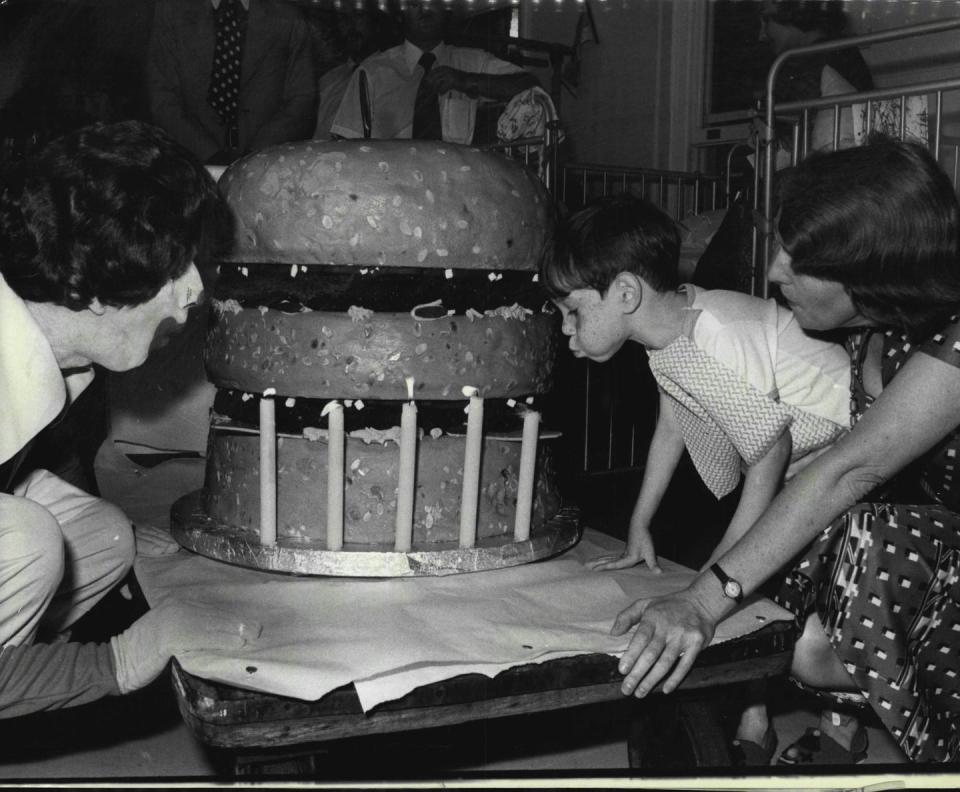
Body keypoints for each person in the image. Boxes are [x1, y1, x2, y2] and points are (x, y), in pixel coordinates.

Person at [612, 140, 960, 765]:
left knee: (857, 529)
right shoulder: (873, 331)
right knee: (786, 558)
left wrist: (701, 601)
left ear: (872, 267)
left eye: (800, 260)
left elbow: (853, 468)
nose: (773, 272)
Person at [0, 120, 260, 719]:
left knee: (100, 535)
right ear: (90, 287)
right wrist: (125, 656)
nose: (194, 291)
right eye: (174, 267)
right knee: (30, 542)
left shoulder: (45, 342)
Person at [543, 195, 850, 579]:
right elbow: (673, 429)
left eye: (572, 311)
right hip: (803, 457)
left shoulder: (716, 332)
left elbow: (771, 451)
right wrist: (639, 525)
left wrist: (714, 579)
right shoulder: (668, 336)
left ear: (626, 293)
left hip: (849, 429)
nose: (566, 328)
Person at [330, 0, 538, 144]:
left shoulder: (472, 62)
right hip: (391, 193)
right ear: (401, 13)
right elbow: (346, 144)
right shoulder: (373, 71)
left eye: (433, 2)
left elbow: (529, 85)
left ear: (448, 10)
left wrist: (467, 81)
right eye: (414, 4)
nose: (425, 10)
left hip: (456, 192)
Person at [146, 0, 317, 166]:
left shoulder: (289, 17)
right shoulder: (171, 10)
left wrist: (255, 155)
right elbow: (163, 98)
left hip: (263, 166)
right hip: (191, 164)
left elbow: (302, 99)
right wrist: (209, 154)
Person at [757, 0, 873, 156]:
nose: (761, 35)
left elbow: (799, 109)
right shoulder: (836, 50)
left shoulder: (825, 54)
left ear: (789, 14)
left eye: (766, 22)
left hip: (833, 156)